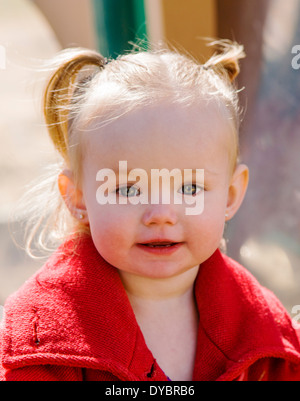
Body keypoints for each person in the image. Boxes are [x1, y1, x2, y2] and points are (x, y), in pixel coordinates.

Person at [1, 41, 300, 381]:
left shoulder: (271, 340)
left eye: (189, 188)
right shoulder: (41, 348)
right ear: (79, 197)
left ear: (230, 195)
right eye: (128, 189)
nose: (161, 214)